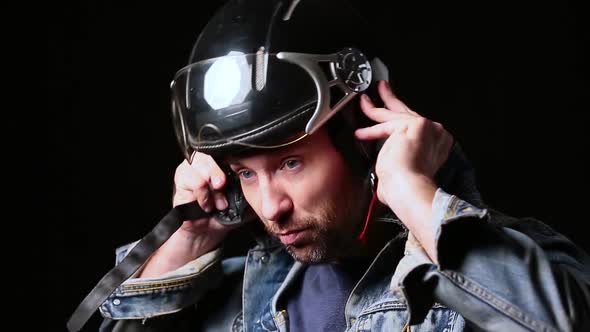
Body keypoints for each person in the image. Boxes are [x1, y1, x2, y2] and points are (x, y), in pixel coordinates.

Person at [96, 0, 590, 331]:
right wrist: (189, 238)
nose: (271, 207)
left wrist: (410, 186)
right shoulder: (234, 297)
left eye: (291, 162)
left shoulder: (523, 264)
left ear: (363, 142)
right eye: (246, 172)